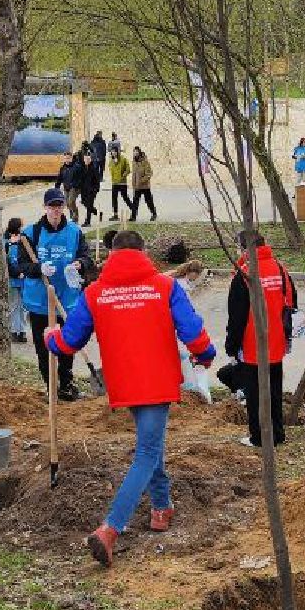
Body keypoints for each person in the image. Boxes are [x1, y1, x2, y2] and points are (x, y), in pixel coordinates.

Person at [46, 228, 215, 567]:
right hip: (156, 380)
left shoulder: (96, 292)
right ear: (144, 252)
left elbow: (70, 341)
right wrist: (205, 353)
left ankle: (161, 507)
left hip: (123, 382)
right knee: (148, 451)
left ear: (111, 255)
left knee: (151, 444)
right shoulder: (165, 287)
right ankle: (111, 528)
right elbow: (191, 328)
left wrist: (52, 338)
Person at [224, 229, 297, 448]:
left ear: (244, 248)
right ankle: (278, 433)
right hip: (277, 341)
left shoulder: (245, 274)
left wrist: (231, 346)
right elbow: (292, 302)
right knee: (274, 389)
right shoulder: (280, 268)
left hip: (252, 343)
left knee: (255, 394)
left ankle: (259, 437)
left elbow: (236, 316)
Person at [17, 189, 90, 401]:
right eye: (52, 206)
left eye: (59, 206)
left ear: (64, 207)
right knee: (43, 348)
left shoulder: (74, 231)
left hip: (66, 299)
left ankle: (66, 385)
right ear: (45, 207)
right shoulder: (31, 233)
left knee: (67, 344)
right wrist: (38, 268)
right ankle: (51, 387)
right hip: (39, 301)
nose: (56, 210)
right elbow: (21, 265)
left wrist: (79, 264)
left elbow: (86, 257)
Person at [2, 217, 28, 341]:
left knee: (23, 306)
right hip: (12, 278)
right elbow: (6, 262)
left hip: (23, 278)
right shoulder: (6, 242)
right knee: (14, 305)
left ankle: (22, 331)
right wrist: (17, 273)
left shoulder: (24, 240)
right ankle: (14, 331)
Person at [76, 148, 103, 227]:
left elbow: (97, 180)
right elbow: (80, 179)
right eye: (85, 159)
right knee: (85, 203)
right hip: (84, 190)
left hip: (92, 190)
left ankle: (87, 222)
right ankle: (98, 213)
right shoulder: (82, 168)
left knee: (89, 205)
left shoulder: (94, 168)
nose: (86, 161)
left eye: (88, 159)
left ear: (90, 160)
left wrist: (96, 189)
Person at [129, 147, 157, 220]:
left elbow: (149, 173)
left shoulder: (145, 162)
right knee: (135, 202)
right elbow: (134, 174)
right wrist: (134, 183)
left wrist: (141, 181)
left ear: (139, 152)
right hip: (137, 186)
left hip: (145, 186)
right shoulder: (134, 162)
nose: (135, 153)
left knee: (149, 201)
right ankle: (133, 217)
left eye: (136, 151)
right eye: (134, 152)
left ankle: (154, 214)